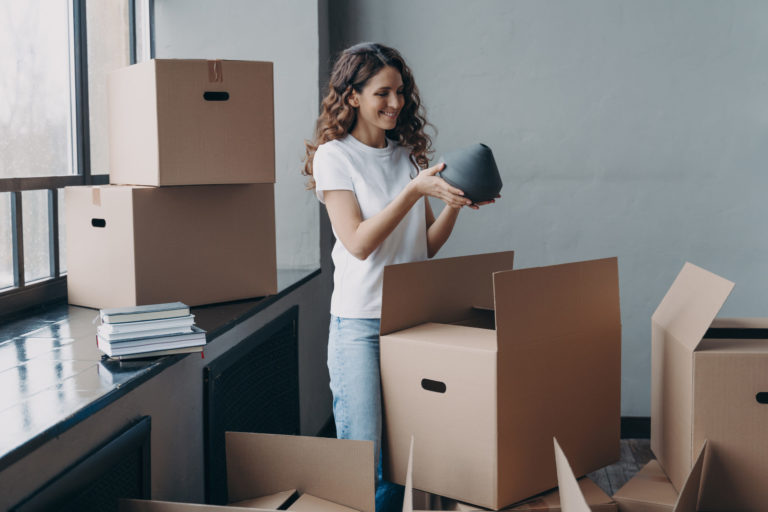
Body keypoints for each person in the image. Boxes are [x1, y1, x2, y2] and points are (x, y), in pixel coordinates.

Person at [302, 42, 495, 511]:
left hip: (410, 323)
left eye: (401, 92)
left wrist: (453, 205)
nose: (395, 103)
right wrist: (413, 191)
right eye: (382, 93)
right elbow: (358, 243)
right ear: (352, 97)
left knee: (408, 458)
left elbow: (422, 245)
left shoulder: (408, 157)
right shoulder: (335, 157)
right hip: (360, 325)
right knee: (365, 460)